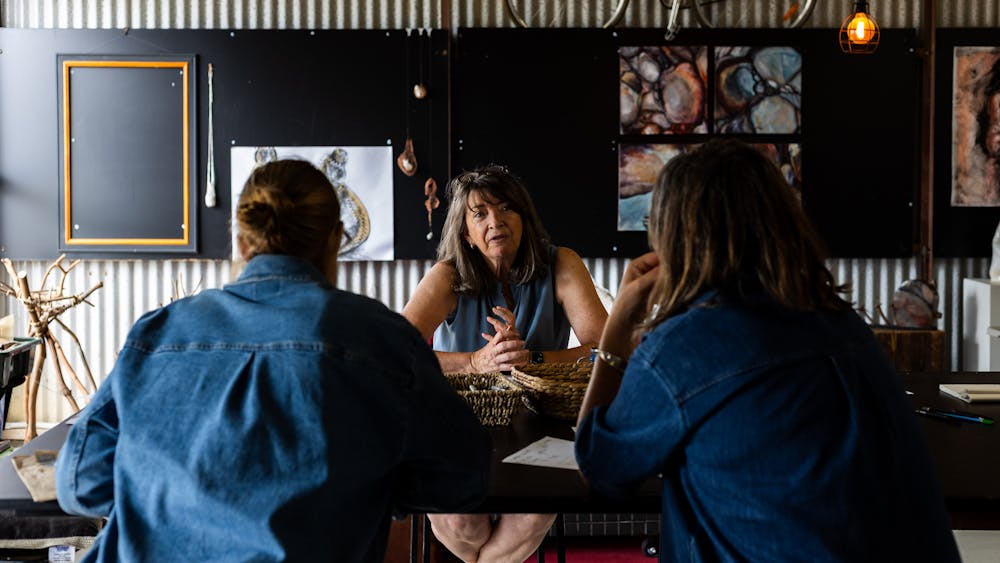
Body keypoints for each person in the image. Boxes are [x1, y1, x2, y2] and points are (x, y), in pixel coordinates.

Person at [55, 159, 492, 562]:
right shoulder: (382, 340)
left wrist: (175, 500)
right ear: (335, 239)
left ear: (242, 242)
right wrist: (366, 485)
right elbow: (464, 476)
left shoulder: (157, 334)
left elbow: (80, 480)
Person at [575, 139, 961, 562]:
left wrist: (616, 332)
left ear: (674, 234)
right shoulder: (841, 320)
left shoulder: (684, 348)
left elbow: (601, 470)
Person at [402, 165, 607, 562]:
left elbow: (603, 347)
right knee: (464, 524)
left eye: (506, 209)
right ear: (465, 232)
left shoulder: (562, 263)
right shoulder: (447, 275)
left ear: (524, 219)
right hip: (454, 423)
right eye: (479, 213)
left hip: (540, 428)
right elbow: (396, 349)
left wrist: (528, 358)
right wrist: (477, 361)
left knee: (535, 511)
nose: (495, 222)